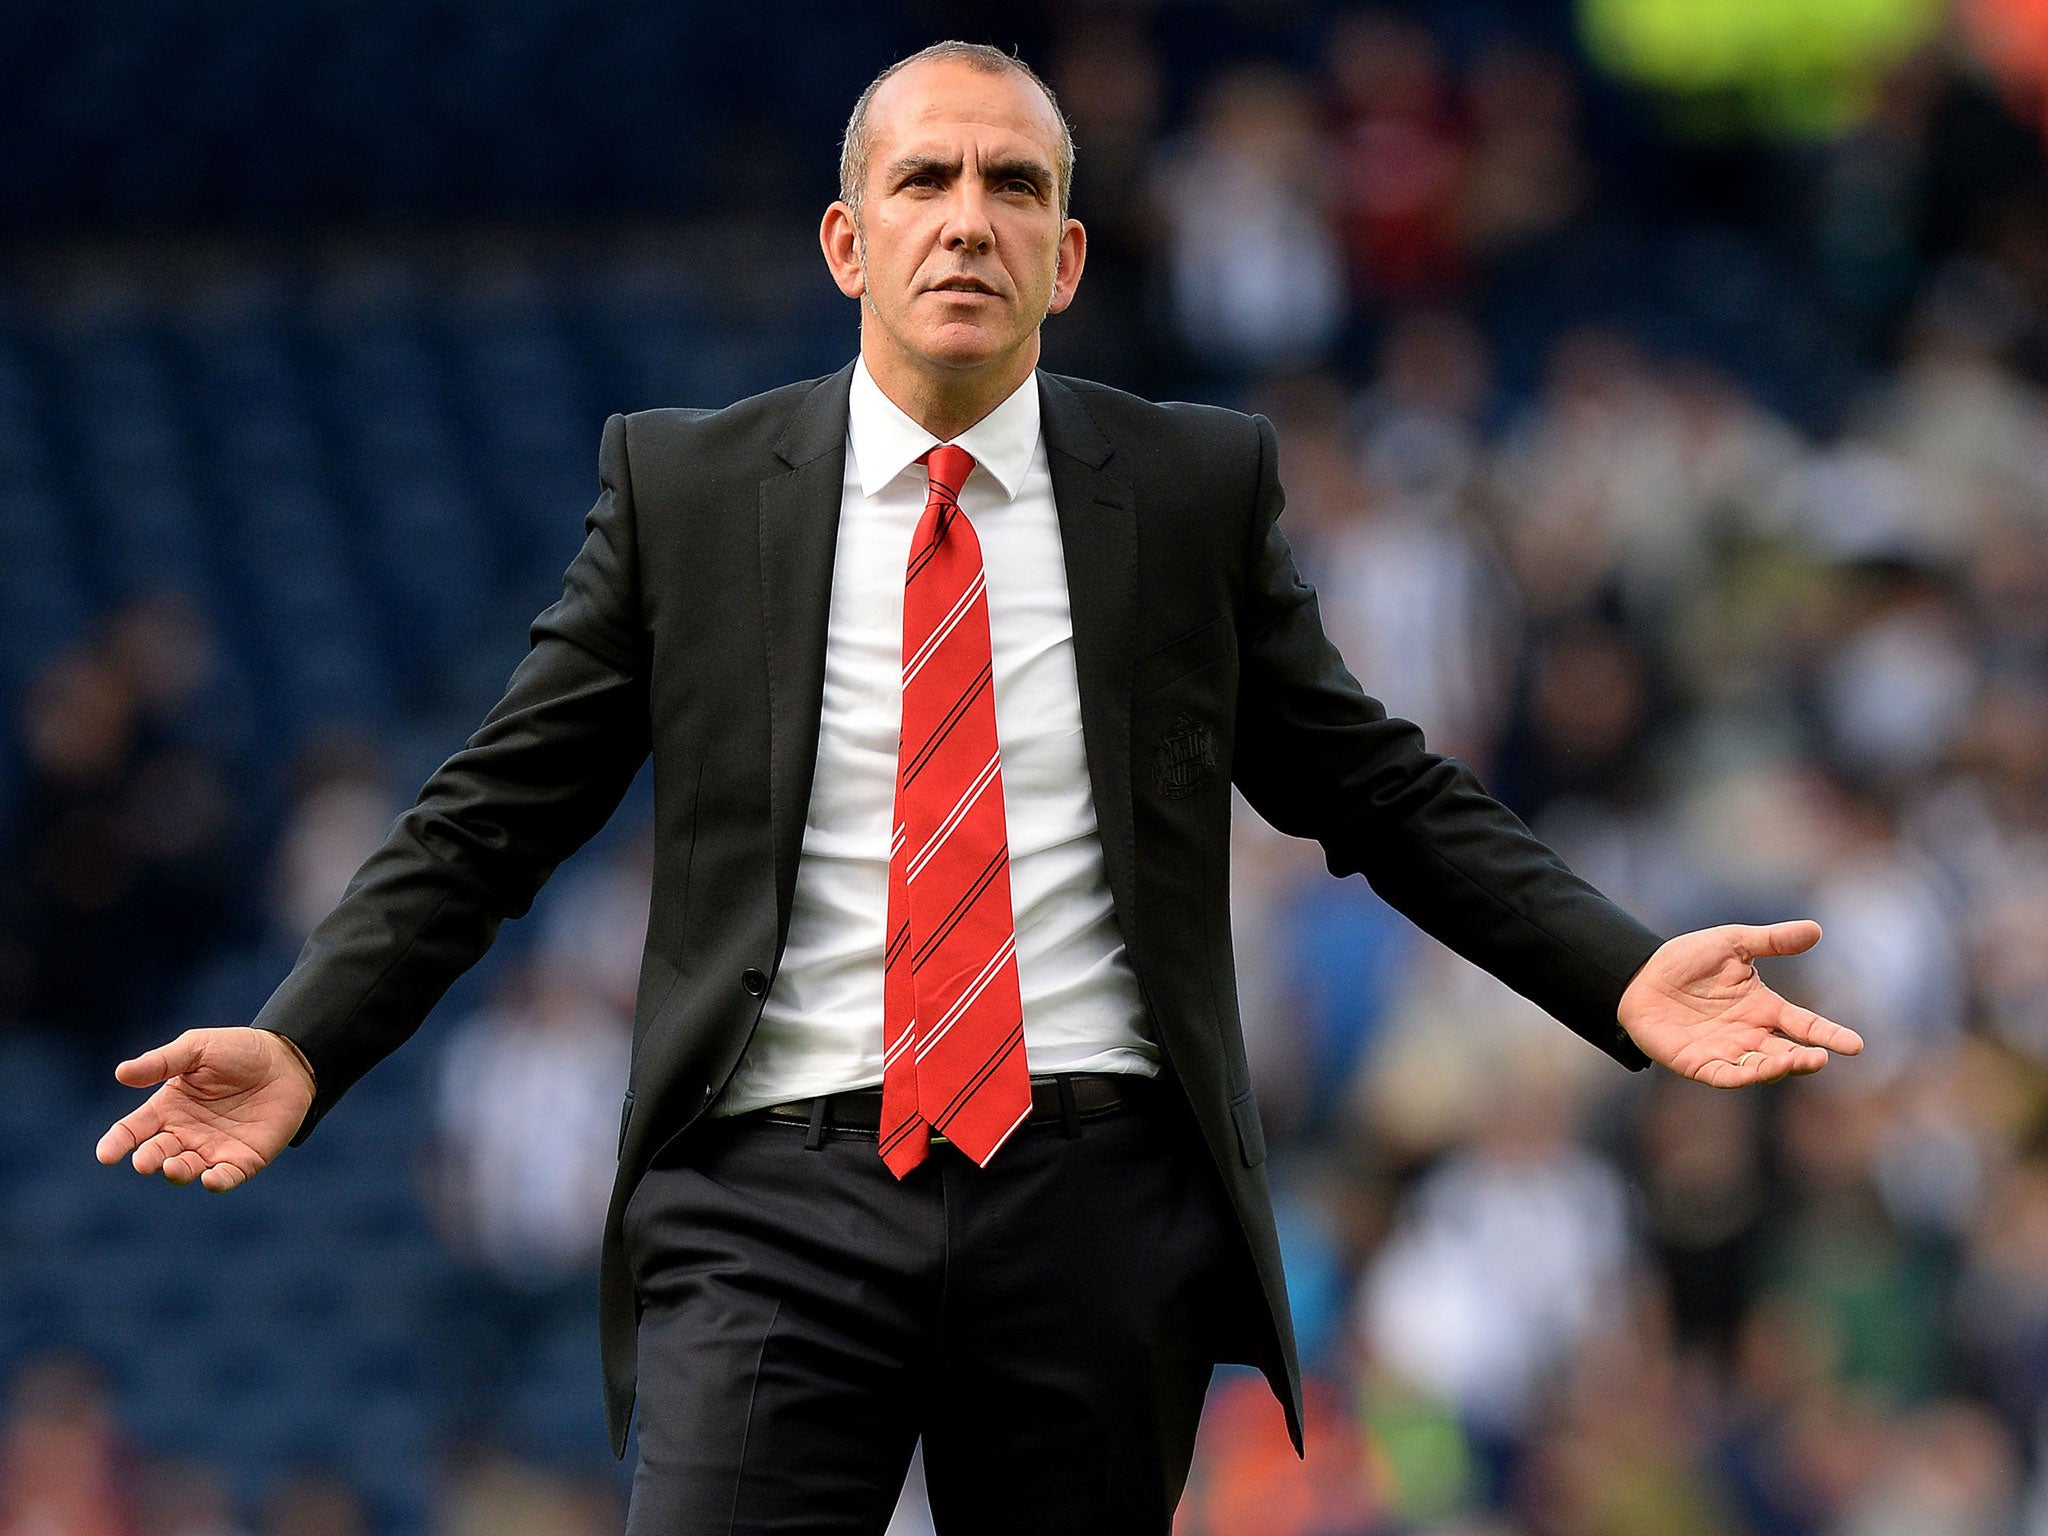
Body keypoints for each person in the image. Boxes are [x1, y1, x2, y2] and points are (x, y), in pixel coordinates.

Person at [95, 41, 1864, 1535]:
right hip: (773, 1198)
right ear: (846, 239)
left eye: (1014, 186)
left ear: (1073, 254)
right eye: (927, 181)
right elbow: (490, 816)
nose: (968, 218)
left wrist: (1615, 976)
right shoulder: (692, 492)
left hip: (1093, 1199)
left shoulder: (1186, 490)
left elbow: (1377, 791)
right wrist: (310, 1037)